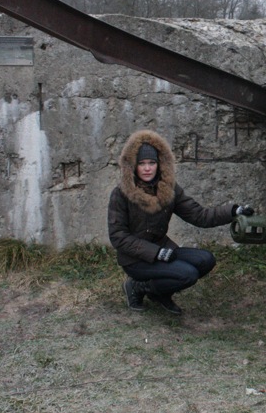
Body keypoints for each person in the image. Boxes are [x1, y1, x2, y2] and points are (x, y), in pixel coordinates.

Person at [107, 129, 254, 315]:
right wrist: (157, 253)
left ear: (159, 164)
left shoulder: (169, 189)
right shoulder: (120, 194)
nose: (147, 168)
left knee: (205, 260)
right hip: (135, 259)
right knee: (187, 274)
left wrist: (234, 211)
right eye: (141, 163)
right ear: (133, 166)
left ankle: (159, 291)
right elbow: (118, 237)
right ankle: (138, 286)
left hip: (164, 251)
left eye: (151, 163)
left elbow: (200, 216)